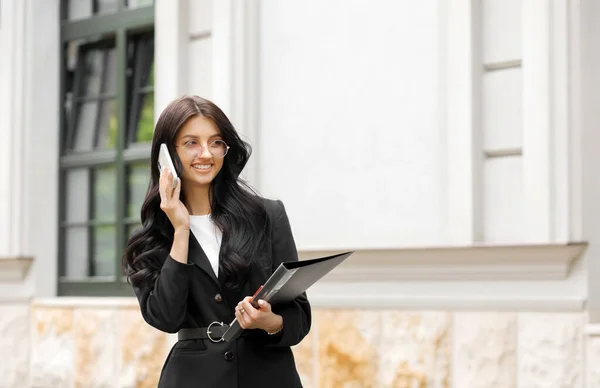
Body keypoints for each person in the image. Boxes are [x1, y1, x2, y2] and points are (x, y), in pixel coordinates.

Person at [123, 95, 311, 388]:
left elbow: (300, 316)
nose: (206, 154)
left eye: (215, 142)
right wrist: (181, 229)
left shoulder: (267, 215)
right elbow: (165, 317)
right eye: (191, 143)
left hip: (269, 377)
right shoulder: (149, 240)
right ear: (166, 156)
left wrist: (269, 322)